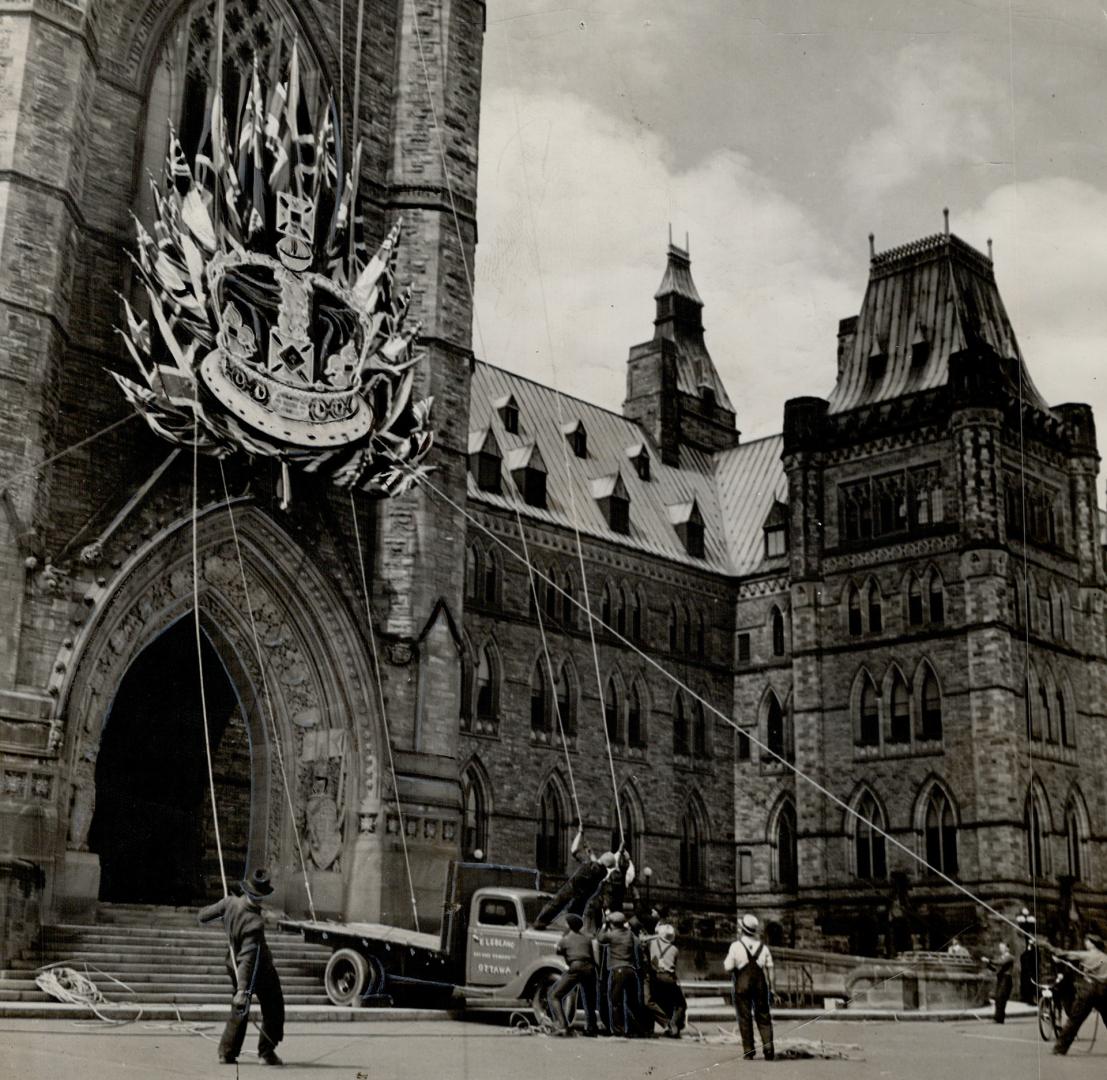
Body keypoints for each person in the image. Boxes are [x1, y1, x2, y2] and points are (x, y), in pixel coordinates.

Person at [199, 868, 285, 1067]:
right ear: (261, 896)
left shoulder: (230, 903)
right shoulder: (254, 922)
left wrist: (224, 917)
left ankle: (226, 1052)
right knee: (274, 1008)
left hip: (234, 965)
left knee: (239, 1009)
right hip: (258, 970)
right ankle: (266, 1052)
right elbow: (248, 958)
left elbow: (202, 916)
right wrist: (242, 990)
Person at [532, 827, 613, 930]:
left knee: (555, 905)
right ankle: (573, 930)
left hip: (570, 889)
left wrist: (579, 833)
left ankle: (540, 923)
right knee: (575, 914)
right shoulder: (602, 874)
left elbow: (574, 850)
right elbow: (596, 863)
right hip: (581, 898)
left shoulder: (587, 865)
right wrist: (590, 852)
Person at [724, 914, 774, 1061]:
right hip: (760, 984)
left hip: (742, 984)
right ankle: (768, 1047)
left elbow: (728, 966)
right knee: (764, 1016)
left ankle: (748, 1050)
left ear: (742, 929)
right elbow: (770, 969)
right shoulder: (764, 948)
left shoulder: (735, 946)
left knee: (744, 1017)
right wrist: (772, 988)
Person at [1050, 934, 1107, 1055]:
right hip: (1104, 990)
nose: (1086, 943)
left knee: (1074, 1020)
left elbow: (1063, 953)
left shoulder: (1086, 955)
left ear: (1092, 944)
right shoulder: (1105, 957)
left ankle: (1060, 1049)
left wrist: (1046, 945)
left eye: (1087, 941)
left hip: (1088, 989)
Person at [549, 913, 599, 1036]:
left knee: (554, 996)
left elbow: (558, 951)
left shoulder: (565, 939)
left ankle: (562, 1025)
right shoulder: (587, 938)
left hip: (576, 967)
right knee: (588, 999)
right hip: (590, 968)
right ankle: (592, 1028)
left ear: (569, 926)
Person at [596, 910, 639, 1037]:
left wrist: (604, 925)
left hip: (618, 970)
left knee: (616, 1002)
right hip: (631, 970)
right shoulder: (629, 934)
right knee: (632, 1002)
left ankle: (618, 1030)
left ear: (612, 923)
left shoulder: (612, 935)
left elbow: (600, 938)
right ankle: (634, 1029)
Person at [642, 923, 686, 1038]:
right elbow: (674, 966)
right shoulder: (674, 949)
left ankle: (666, 1022)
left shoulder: (651, 944)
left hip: (654, 977)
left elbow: (643, 940)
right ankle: (674, 1024)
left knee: (652, 1001)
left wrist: (654, 936)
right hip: (668, 977)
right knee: (680, 1004)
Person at [981, 942, 1014, 1023]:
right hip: (1001, 979)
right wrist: (988, 964)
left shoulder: (1009, 957)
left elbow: (1000, 963)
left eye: (1002, 947)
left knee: (1001, 998)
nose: (1000, 949)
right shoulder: (1001, 957)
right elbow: (995, 969)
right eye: (1000, 947)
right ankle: (998, 1018)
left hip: (1006, 979)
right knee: (998, 998)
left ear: (1007, 948)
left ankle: (999, 1018)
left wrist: (989, 960)